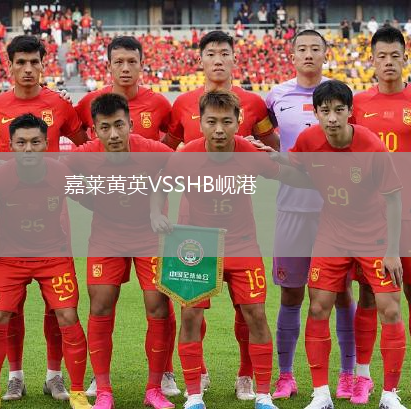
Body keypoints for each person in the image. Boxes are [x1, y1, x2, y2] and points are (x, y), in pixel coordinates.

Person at [151, 90, 312, 409]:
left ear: (238, 122)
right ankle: (194, 395)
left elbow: (294, 177)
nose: (219, 129)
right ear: (201, 123)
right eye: (211, 122)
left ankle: (262, 394)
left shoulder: (251, 152)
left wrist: (291, 163)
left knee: (255, 315)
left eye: (227, 121)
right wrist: (156, 213)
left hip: (242, 244)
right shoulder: (186, 155)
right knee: (190, 315)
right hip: (197, 245)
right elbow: (160, 185)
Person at [163, 31, 278, 400]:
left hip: (239, 226)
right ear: (200, 59)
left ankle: (249, 377)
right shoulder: (181, 103)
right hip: (192, 230)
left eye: (224, 53)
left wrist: (263, 152)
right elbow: (165, 154)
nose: (217, 59)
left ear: (233, 58)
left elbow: (274, 148)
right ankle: (197, 378)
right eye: (210, 53)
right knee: (191, 312)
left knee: (250, 312)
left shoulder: (254, 103)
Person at [0, 35, 89, 402]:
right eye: (21, 62)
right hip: (9, 228)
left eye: (34, 62)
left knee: (59, 309)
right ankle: (15, 376)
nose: (28, 69)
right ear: (9, 65)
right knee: (9, 310)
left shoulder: (59, 103)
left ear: (44, 65)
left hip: (54, 226)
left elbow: (85, 142)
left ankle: (55, 376)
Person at [286, 80, 407, 409]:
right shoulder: (308, 140)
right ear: (316, 113)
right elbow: (292, 169)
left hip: (374, 235)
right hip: (332, 234)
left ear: (350, 112)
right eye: (325, 111)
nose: (332, 118)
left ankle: (389, 395)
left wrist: (392, 250)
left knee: (390, 309)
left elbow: (394, 199)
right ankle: (321, 394)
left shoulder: (371, 145)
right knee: (317, 307)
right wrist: (266, 158)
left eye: (339, 110)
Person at [351, 26, 411, 405]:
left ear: (406, 58)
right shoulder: (358, 103)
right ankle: (362, 377)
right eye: (382, 56)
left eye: (395, 55)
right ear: (372, 61)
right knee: (367, 293)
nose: (389, 62)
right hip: (368, 217)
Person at [65, 93, 176, 409]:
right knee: (100, 305)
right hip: (107, 236)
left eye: (119, 125)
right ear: (94, 131)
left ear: (130, 124)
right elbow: (59, 173)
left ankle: (154, 388)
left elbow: (179, 164)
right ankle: (103, 390)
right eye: (105, 128)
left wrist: (156, 205)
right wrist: (91, 199)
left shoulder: (151, 150)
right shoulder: (85, 154)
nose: (113, 134)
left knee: (158, 305)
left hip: (149, 235)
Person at [265, 30, 356, 401]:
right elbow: (268, 139)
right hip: (291, 207)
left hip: (335, 211)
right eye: (301, 48)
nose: (308, 54)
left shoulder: (341, 94)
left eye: (315, 48)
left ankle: (348, 375)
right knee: (291, 294)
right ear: (292, 55)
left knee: (342, 293)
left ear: (325, 53)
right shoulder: (275, 96)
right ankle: (286, 375)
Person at [75, 36, 172, 142]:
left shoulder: (158, 103)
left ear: (141, 65)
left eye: (132, 62)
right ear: (109, 66)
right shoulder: (91, 101)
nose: (125, 69)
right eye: (119, 62)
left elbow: (175, 134)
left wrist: (159, 152)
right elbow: (71, 128)